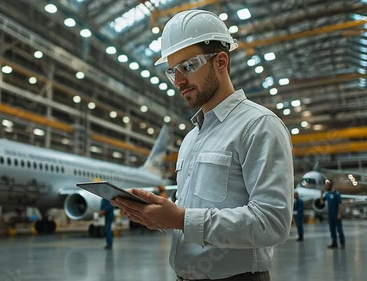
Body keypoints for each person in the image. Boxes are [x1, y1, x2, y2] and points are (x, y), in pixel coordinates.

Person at [112, 9, 294, 281]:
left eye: (189, 66)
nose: (179, 81)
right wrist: (158, 215)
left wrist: (180, 219)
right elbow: (188, 214)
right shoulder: (190, 139)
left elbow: (272, 223)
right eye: (172, 71)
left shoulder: (258, 125)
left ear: (221, 61)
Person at [321, 179, 345, 249]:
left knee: (339, 230)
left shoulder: (336, 194)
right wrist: (321, 194)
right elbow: (322, 202)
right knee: (332, 230)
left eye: (326, 186)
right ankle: (334, 243)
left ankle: (342, 243)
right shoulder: (327, 195)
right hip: (330, 215)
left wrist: (339, 213)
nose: (325, 187)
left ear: (330, 186)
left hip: (336, 214)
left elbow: (340, 204)